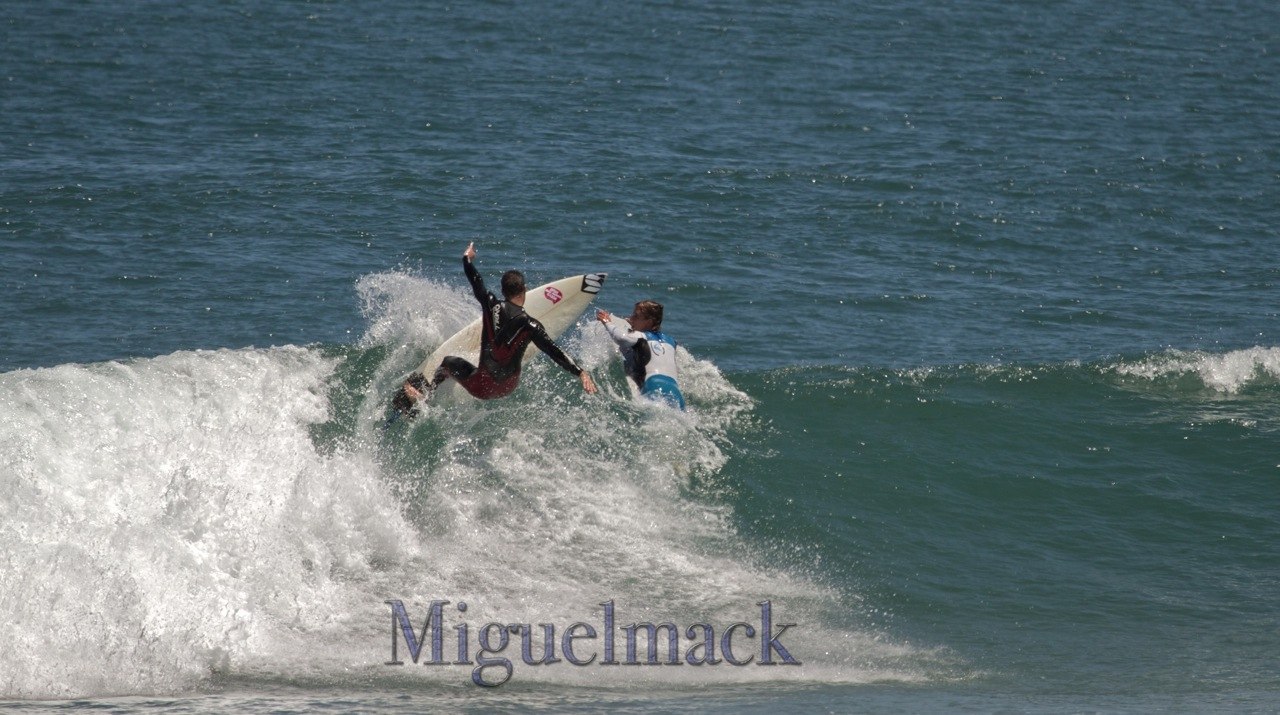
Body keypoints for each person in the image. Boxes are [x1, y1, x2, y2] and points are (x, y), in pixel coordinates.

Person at [392, 242, 597, 416]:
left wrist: (467, 259)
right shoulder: (532, 325)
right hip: (507, 387)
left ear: (502, 291)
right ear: (524, 289)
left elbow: (476, 282)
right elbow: (554, 351)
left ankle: (425, 398)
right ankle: (434, 392)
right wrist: (580, 373)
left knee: (448, 362)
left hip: (481, 386)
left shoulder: (491, 306)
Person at [595, 300, 684, 410]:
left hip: (653, 386)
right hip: (676, 391)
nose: (630, 319)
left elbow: (621, 338)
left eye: (636, 316)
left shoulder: (641, 337)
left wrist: (607, 322)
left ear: (649, 322)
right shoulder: (671, 342)